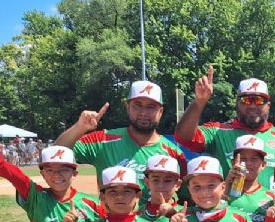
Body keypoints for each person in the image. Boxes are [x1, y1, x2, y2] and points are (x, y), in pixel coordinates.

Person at [55, 80, 187, 199]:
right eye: (137, 105)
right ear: (127, 107)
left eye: (151, 107)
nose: (143, 112)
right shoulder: (102, 140)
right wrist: (79, 128)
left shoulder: (173, 153)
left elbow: (187, 197)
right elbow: (55, 154)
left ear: (161, 111)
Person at [174, 67, 275, 189]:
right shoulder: (218, 132)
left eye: (259, 100)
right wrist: (200, 101)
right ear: (237, 103)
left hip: (272, 207)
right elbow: (183, 137)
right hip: (228, 206)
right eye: (246, 100)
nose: (252, 105)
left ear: (268, 106)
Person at [160, 156, 259, 222]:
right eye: (197, 187)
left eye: (211, 186)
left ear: (223, 187)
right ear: (189, 189)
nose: (204, 192)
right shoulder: (181, 218)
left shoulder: (240, 218)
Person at [224, 136, 275, 222]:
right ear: (233, 163)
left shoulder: (271, 197)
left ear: (263, 164)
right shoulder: (222, 191)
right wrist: (227, 184)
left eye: (254, 159)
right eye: (243, 159)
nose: (248, 163)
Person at [139, 154, 184, 222]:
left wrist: (173, 214)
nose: (161, 185)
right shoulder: (136, 213)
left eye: (167, 180)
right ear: (147, 182)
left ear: (177, 184)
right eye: (155, 180)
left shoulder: (186, 214)